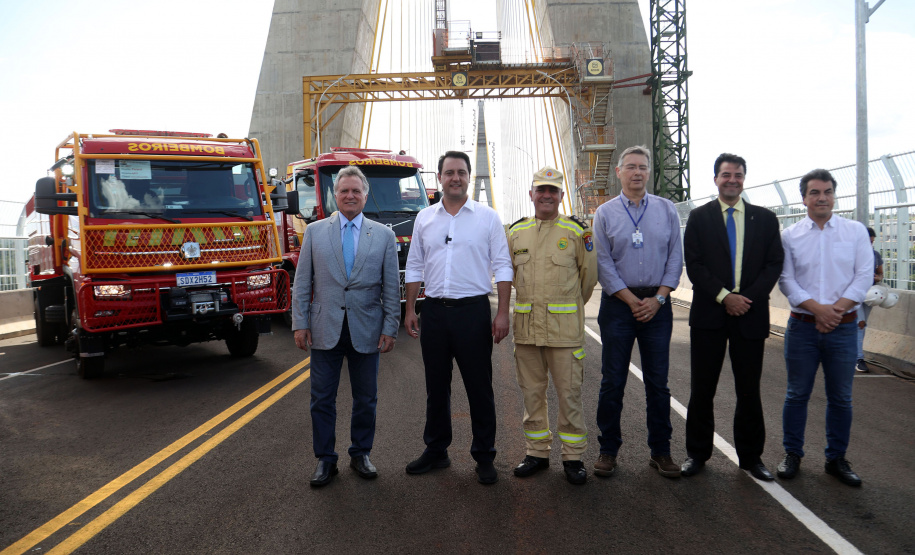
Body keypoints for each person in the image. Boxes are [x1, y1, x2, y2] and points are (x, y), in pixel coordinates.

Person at [403, 150, 513, 485]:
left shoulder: (487, 217)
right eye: (449, 172)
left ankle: (484, 456)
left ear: (468, 177)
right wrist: (410, 308)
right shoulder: (424, 218)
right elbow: (415, 266)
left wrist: (503, 313)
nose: (455, 177)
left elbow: (503, 265)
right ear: (439, 177)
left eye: (461, 172)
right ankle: (436, 451)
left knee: (479, 387)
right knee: (437, 387)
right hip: (434, 311)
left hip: (473, 312)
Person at [291, 165, 400, 487]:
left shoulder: (383, 235)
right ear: (334, 195)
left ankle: (360, 453)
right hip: (325, 327)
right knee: (321, 399)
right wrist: (300, 323)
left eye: (356, 191)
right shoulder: (315, 232)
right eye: (344, 191)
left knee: (366, 399)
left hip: (367, 327)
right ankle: (325, 460)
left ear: (366, 196)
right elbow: (302, 282)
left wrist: (390, 327)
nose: (350, 196)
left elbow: (390, 287)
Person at [680, 153, 784, 481]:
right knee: (702, 388)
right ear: (715, 179)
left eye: (738, 175)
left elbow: (773, 264)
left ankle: (752, 458)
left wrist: (745, 299)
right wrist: (726, 297)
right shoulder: (700, 217)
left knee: (749, 390)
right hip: (710, 313)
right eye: (726, 174)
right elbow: (694, 265)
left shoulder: (765, 219)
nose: (732, 180)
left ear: (744, 179)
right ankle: (697, 454)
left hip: (750, 314)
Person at [592, 145, 683, 479]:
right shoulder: (604, 214)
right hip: (618, 306)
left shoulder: (667, 210)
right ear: (619, 172)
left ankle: (661, 452)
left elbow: (676, 257)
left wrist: (658, 299)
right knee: (612, 381)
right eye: (630, 166)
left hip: (658, 305)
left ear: (649, 172)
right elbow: (603, 263)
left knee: (658, 383)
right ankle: (608, 451)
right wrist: (632, 301)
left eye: (643, 167)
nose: (637, 172)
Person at [777, 169, 873, 486]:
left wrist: (836, 311)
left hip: (844, 328)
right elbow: (787, 280)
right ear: (804, 198)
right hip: (802, 327)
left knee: (841, 398)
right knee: (796, 395)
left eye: (828, 192)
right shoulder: (790, 235)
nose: (822, 198)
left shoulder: (855, 231)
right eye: (815, 192)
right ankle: (793, 454)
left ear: (834, 196)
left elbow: (863, 277)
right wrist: (819, 310)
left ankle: (836, 459)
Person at [507, 167, 597, 485]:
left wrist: (567, 308)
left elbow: (588, 279)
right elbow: (511, 277)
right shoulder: (515, 233)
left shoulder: (577, 232)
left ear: (561, 196)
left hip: (564, 333)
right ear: (531, 194)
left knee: (569, 395)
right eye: (541, 190)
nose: (547, 195)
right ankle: (537, 453)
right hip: (528, 331)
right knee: (532, 394)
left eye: (553, 190)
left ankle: (573, 458)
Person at [856, 227, 884, 373]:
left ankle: (855, 354)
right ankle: (858, 358)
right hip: (854, 294)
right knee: (859, 323)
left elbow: (880, 275)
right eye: (868, 241)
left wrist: (876, 277)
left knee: (862, 324)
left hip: (869, 294)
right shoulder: (851, 254)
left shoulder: (875, 255)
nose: (870, 245)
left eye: (872, 242)